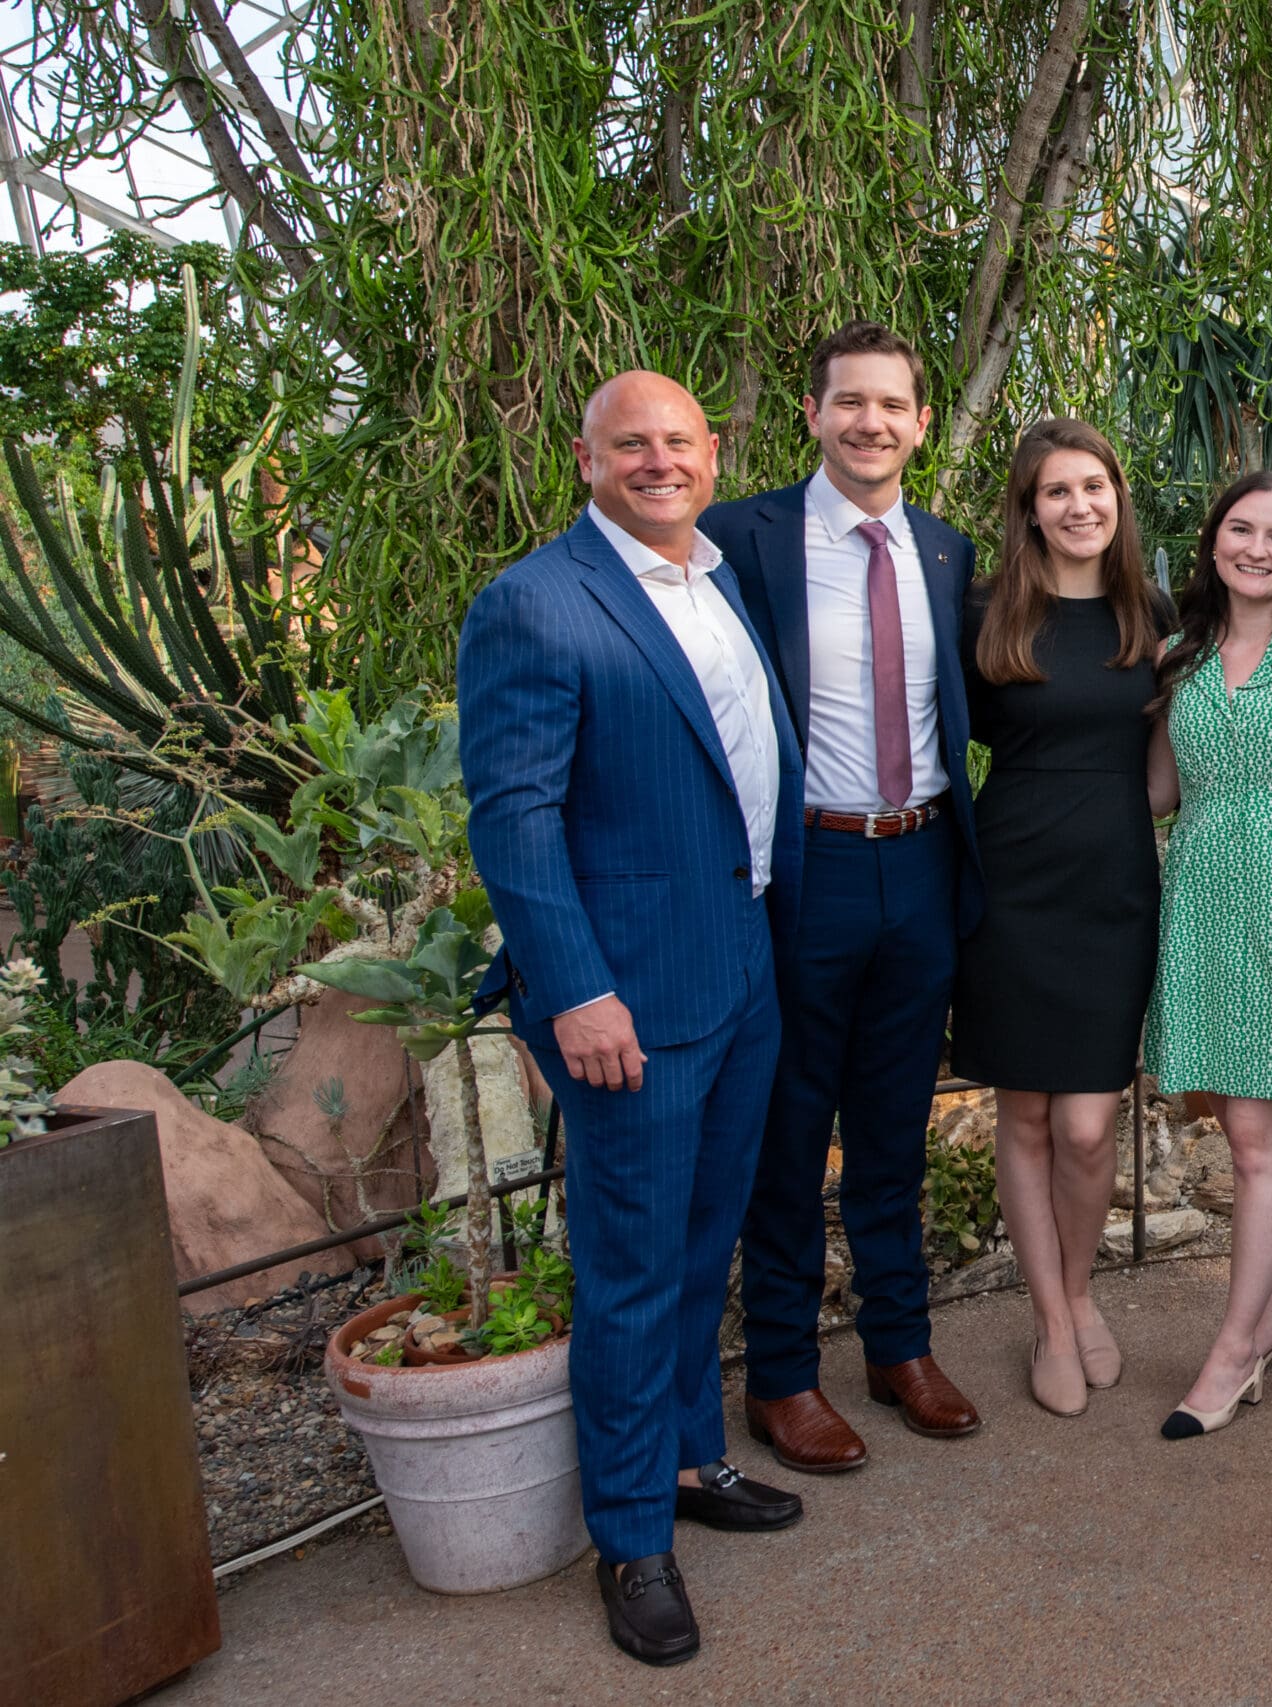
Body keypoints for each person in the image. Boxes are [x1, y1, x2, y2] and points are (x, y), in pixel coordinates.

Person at [459, 371, 805, 1666]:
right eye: (631, 444)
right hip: (628, 1000)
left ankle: (688, 1460)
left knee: (704, 1238)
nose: (659, 461)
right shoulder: (536, 602)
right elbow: (514, 818)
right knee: (630, 1265)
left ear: (714, 453)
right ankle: (630, 1535)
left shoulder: (715, 579)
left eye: (678, 441)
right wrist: (575, 989)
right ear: (585, 458)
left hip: (742, 967)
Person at [698, 321, 986, 1472]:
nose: (872, 422)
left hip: (919, 866)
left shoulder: (946, 551)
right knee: (788, 1126)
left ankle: (898, 1347)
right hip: (801, 871)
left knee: (891, 1126)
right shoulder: (738, 539)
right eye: (850, 402)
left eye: (892, 405)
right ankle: (781, 1373)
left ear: (921, 423)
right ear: (812, 414)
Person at [949, 419, 1169, 1418]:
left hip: (1112, 888)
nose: (1079, 505)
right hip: (1012, 886)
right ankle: (1051, 1316)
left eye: (1094, 486)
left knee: (1087, 1126)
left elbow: (1169, 764)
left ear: (1117, 497)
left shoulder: (1147, 612)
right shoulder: (985, 611)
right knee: (1027, 1115)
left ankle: (1080, 1292)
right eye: (1056, 491)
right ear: (1029, 510)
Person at [1143, 472, 1272, 1439]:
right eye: (1241, 529)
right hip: (1200, 903)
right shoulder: (1176, 655)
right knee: (1242, 1129)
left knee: (1260, 1141)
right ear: (1214, 541)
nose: (1257, 548)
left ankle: (1234, 1349)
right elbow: (1158, 791)